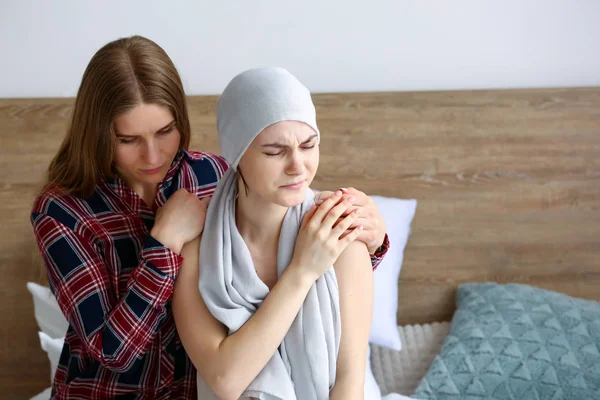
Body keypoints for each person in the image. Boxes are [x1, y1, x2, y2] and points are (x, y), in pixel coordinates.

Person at [30, 35, 389, 399]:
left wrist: (368, 241)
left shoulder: (214, 175)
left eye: (165, 131)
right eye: (129, 139)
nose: (153, 155)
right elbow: (113, 353)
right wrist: (164, 244)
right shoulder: (62, 211)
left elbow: (300, 271)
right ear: (99, 134)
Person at [172, 67, 374, 400]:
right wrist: (303, 271)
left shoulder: (340, 234)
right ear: (237, 156)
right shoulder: (197, 249)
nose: (298, 166)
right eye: (274, 152)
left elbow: (349, 383)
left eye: (309, 146)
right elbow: (225, 379)